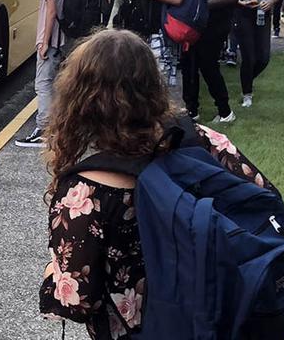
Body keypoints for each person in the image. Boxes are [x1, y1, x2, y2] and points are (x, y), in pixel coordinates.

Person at [39, 29, 175, 339]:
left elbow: (77, 301)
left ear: (81, 99)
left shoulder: (84, 194)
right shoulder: (198, 140)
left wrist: (51, 274)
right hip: (210, 316)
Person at [15, 0, 67, 148]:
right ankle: (50, 128)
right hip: (60, 39)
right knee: (50, 84)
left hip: (52, 40)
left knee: (43, 85)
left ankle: (43, 129)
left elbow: (51, 11)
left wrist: (44, 41)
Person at [182, 0, 238, 123]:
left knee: (208, 67)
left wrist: (203, 4)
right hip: (198, 27)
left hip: (215, 27)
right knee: (191, 66)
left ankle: (225, 111)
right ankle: (192, 110)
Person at [235, 0, 284, 108]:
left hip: (264, 15)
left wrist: (272, 1)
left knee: (263, 58)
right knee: (249, 57)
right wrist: (245, 2)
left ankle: (246, 79)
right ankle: (247, 93)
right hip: (245, 15)